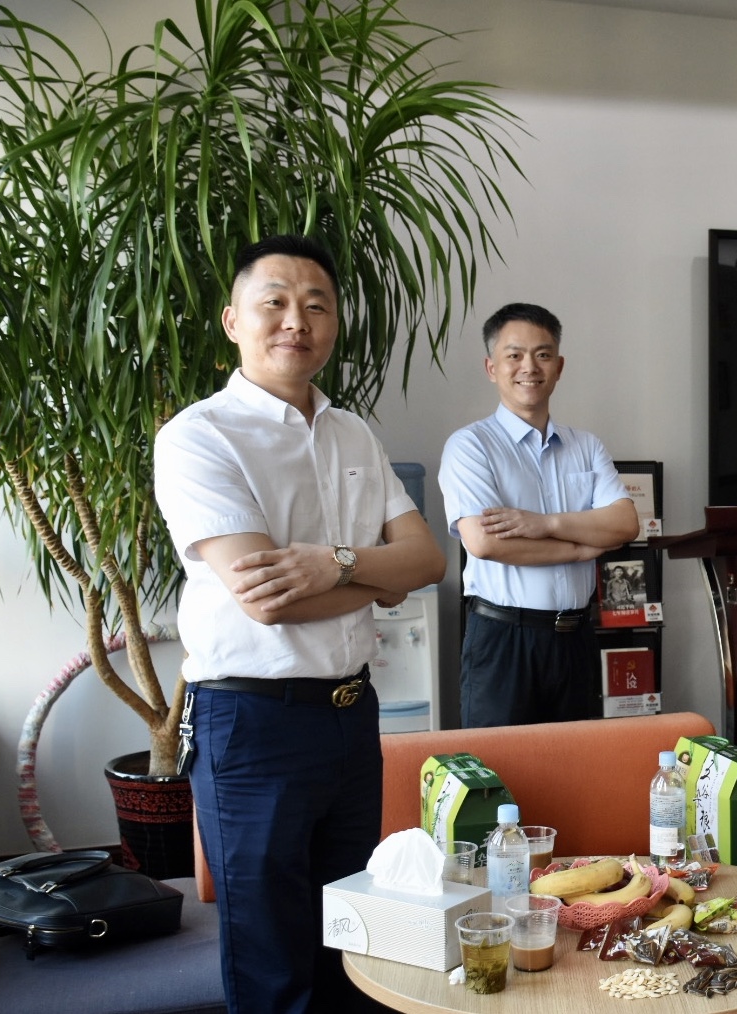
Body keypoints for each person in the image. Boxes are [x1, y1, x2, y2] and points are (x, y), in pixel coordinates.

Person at [153, 234, 446, 1013]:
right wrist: (372, 574)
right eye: (274, 303)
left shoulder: (353, 432)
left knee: (349, 940)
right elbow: (267, 598)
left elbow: (427, 561)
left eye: (316, 305)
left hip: (351, 716)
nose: (296, 321)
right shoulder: (198, 437)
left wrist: (332, 564)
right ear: (232, 321)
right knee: (272, 960)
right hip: (252, 724)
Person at [439, 302, 639, 727]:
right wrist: (581, 548)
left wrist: (544, 524)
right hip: (504, 640)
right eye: (514, 355)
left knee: (577, 762)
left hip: (576, 640)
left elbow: (624, 524)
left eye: (543, 354)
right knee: (499, 764)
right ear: (492, 367)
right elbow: (486, 543)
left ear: (559, 366)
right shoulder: (470, 446)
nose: (529, 367)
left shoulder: (586, 446)